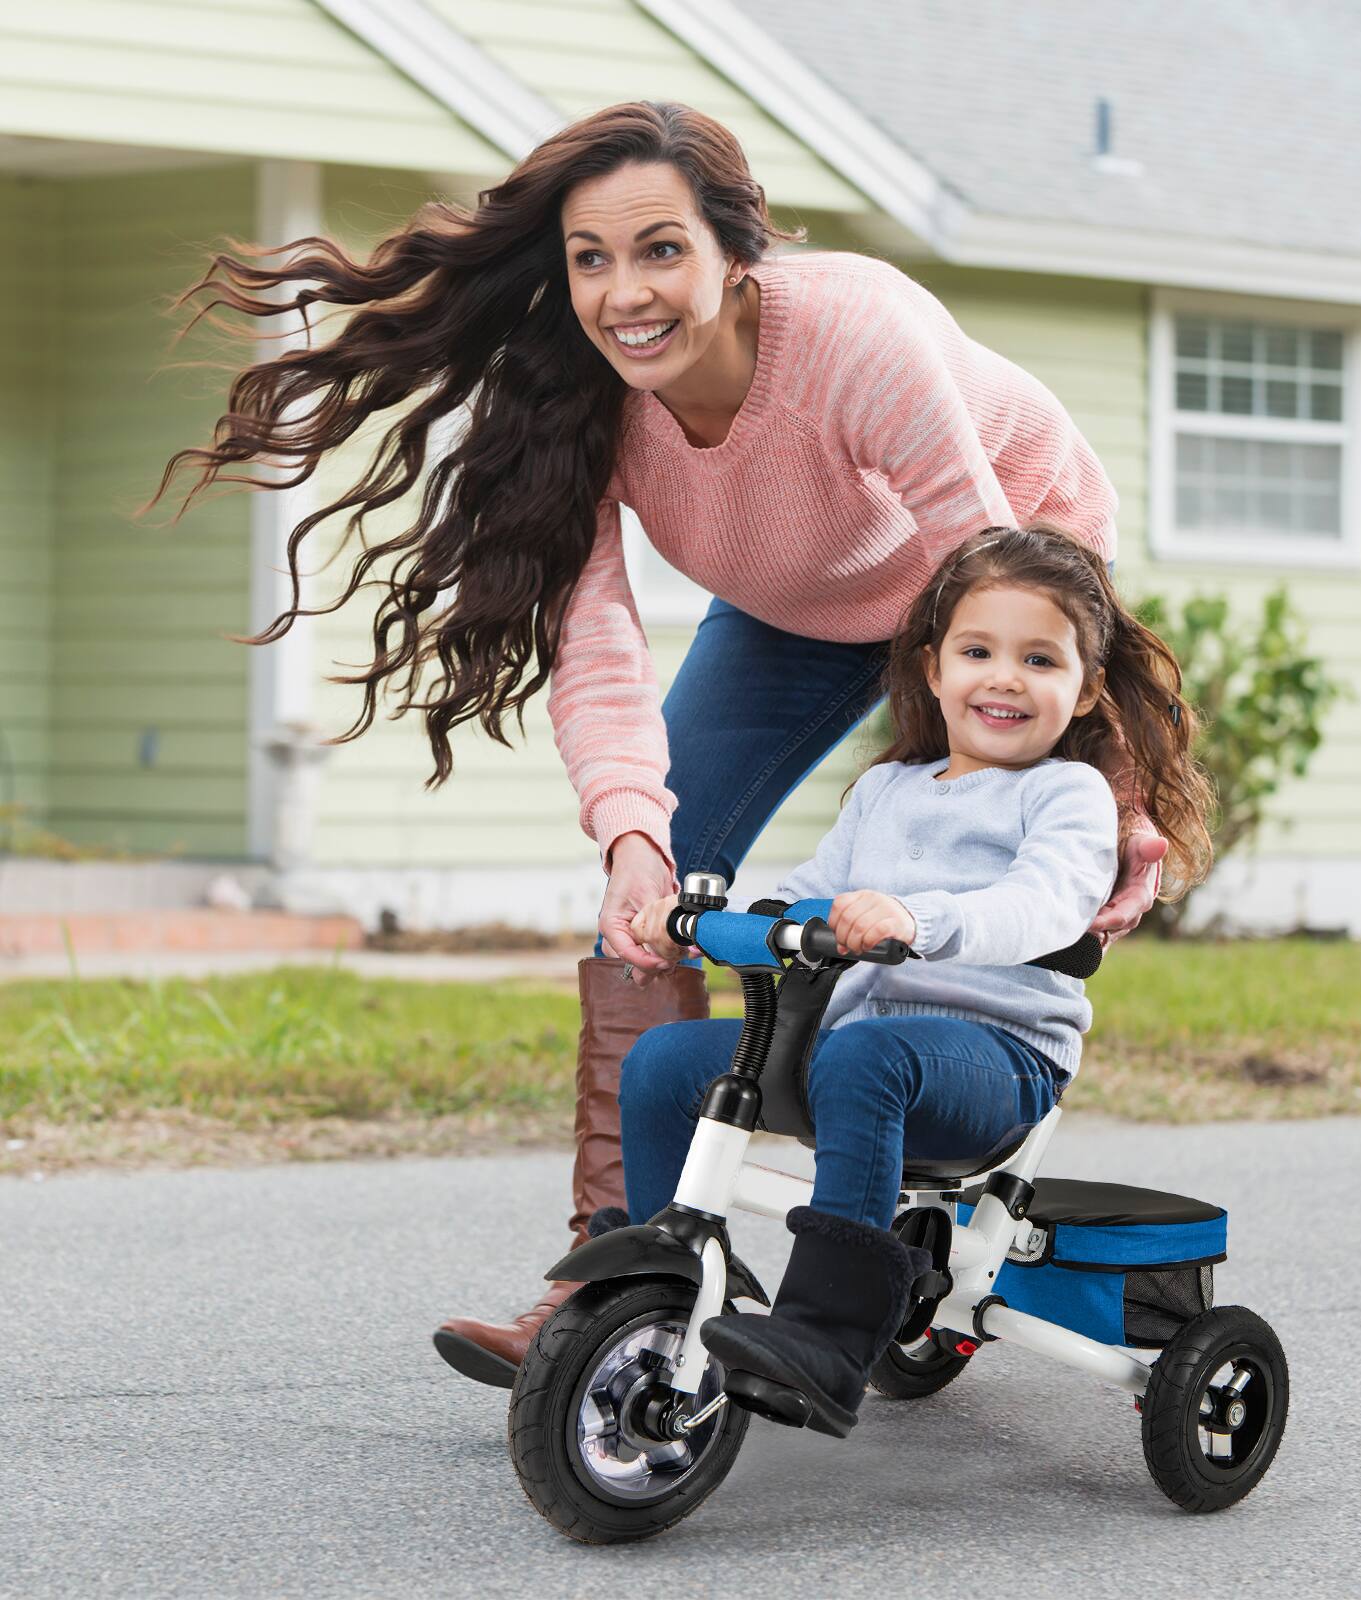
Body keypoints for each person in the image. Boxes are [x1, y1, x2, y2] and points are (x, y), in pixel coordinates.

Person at [143, 100, 1167, 1388]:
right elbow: (600, 650)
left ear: (738, 254)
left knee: (957, 843)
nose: (624, 292)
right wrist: (634, 841)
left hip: (995, 569)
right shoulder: (574, 398)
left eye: (660, 250)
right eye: (590, 258)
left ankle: (934, 1106)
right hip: (796, 596)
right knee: (644, 903)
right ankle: (616, 1274)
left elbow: (980, 563)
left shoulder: (857, 337)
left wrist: (1115, 788)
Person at [607, 524, 1215, 1437]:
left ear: (1085, 688)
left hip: (997, 1064)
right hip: (858, 1047)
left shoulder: (1067, 795)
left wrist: (916, 920)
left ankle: (828, 1330)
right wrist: (702, 923)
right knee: (663, 1062)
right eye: (978, 651)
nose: (1004, 677)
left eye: (1038, 659)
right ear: (934, 671)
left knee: (868, 1059)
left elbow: (1041, 906)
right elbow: (810, 895)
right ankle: (661, 1287)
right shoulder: (890, 790)